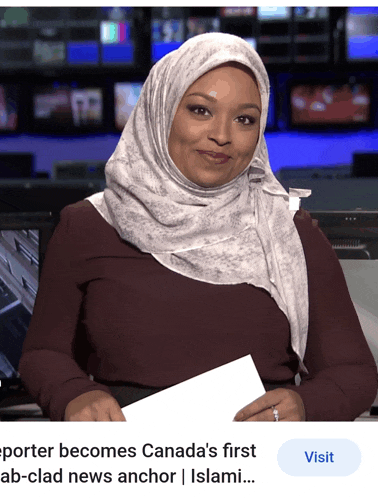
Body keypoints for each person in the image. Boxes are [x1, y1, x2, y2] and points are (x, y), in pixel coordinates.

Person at [19, 33, 378, 422]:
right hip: (130, 462)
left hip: (256, 465)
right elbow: (43, 355)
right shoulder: (86, 225)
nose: (222, 135)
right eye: (200, 110)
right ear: (161, 111)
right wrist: (73, 394)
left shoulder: (289, 230)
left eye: (244, 119)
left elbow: (353, 374)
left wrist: (305, 407)